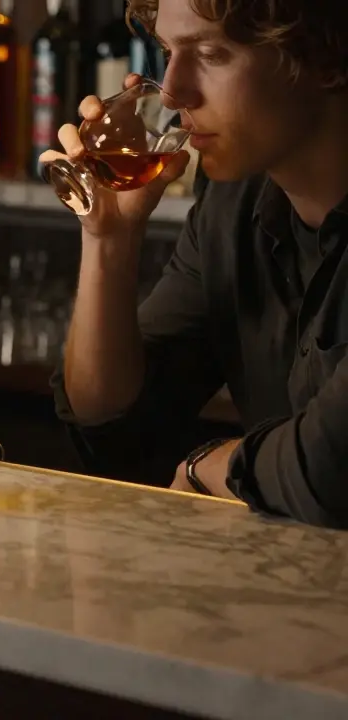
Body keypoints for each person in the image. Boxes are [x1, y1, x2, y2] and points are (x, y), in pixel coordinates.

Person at [42, 0, 348, 527]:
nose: (175, 90)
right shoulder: (234, 206)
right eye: (166, 51)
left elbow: (329, 466)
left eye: (210, 53)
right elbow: (114, 424)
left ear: (328, 57)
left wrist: (212, 465)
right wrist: (109, 236)